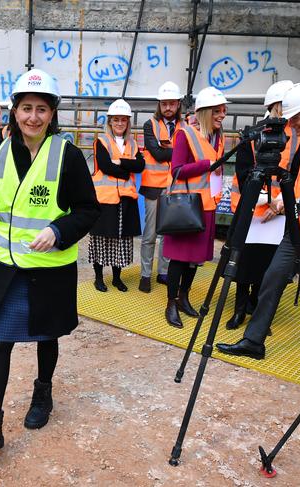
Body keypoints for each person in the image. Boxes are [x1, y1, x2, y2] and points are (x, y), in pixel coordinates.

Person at [0, 68, 98, 460]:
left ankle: (43, 393)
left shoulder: (67, 155)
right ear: (15, 111)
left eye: (41, 109)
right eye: (25, 109)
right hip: (8, 265)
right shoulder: (1, 154)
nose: (32, 117)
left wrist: (58, 230)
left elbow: (89, 209)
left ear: (52, 114)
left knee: (46, 336)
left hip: (51, 266)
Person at [217, 82, 300, 359]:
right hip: (297, 231)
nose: (291, 123)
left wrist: (292, 204)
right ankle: (253, 341)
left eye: (296, 117)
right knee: (272, 278)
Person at [225, 80, 300, 329]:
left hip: (277, 212)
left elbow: (295, 174)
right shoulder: (255, 133)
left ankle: (257, 311)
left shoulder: (295, 137)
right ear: (275, 105)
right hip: (251, 211)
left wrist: (277, 205)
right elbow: (244, 173)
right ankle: (239, 310)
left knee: (265, 264)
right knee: (243, 262)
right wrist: (263, 201)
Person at [163, 87, 228, 328]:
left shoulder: (217, 136)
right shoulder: (185, 134)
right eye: (218, 111)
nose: (222, 115)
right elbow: (177, 170)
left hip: (207, 205)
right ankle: (171, 303)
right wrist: (206, 164)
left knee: (195, 259)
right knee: (179, 259)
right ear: (205, 112)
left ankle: (184, 298)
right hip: (186, 206)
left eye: (224, 111)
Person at [89, 99, 144, 292]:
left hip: (126, 199)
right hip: (105, 200)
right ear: (110, 121)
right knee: (101, 239)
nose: (120, 123)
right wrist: (126, 168)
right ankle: (98, 278)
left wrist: (120, 162)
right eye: (116, 119)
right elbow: (105, 166)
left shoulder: (133, 144)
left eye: (123, 120)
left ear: (128, 122)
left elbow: (140, 166)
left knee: (121, 240)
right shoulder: (101, 141)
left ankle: (117, 278)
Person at [138, 81, 185, 293]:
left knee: (167, 235)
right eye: (164, 103)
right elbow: (156, 153)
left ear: (178, 104)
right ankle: (145, 275)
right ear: (160, 104)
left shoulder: (185, 126)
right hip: (154, 188)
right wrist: (177, 150)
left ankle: (163, 272)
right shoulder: (150, 125)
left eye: (172, 103)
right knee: (149, 235)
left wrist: (167, 148)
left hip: (175, 187)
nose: (168, 107)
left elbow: (188, 153)